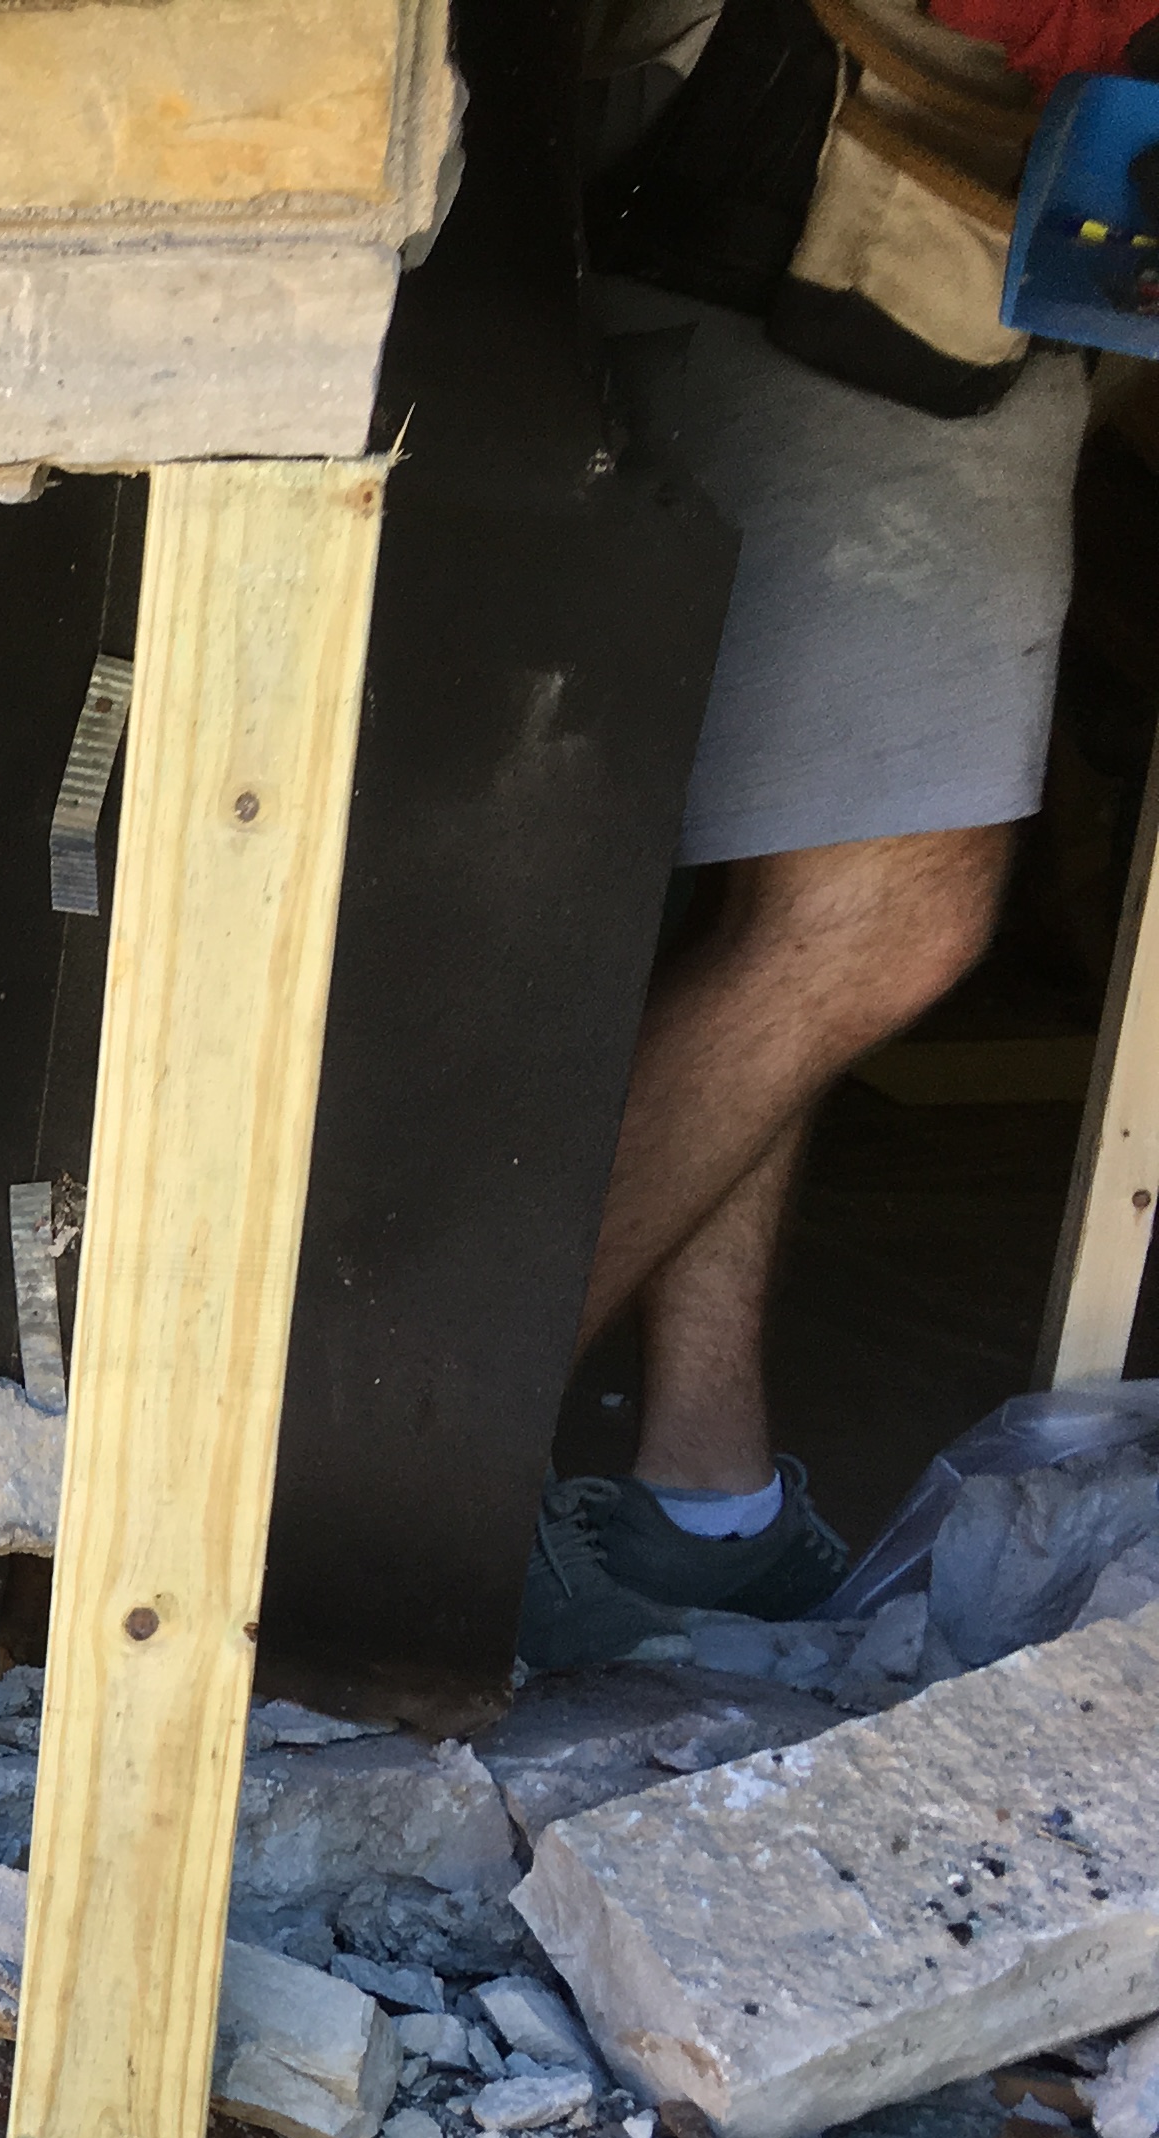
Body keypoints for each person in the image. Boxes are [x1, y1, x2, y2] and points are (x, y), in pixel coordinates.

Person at [518, 0, 1096, 1669]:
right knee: (886, 908)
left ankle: (709, 1497)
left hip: (801, 173)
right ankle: (400, 1491)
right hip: (865, 182)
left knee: (797, 887)